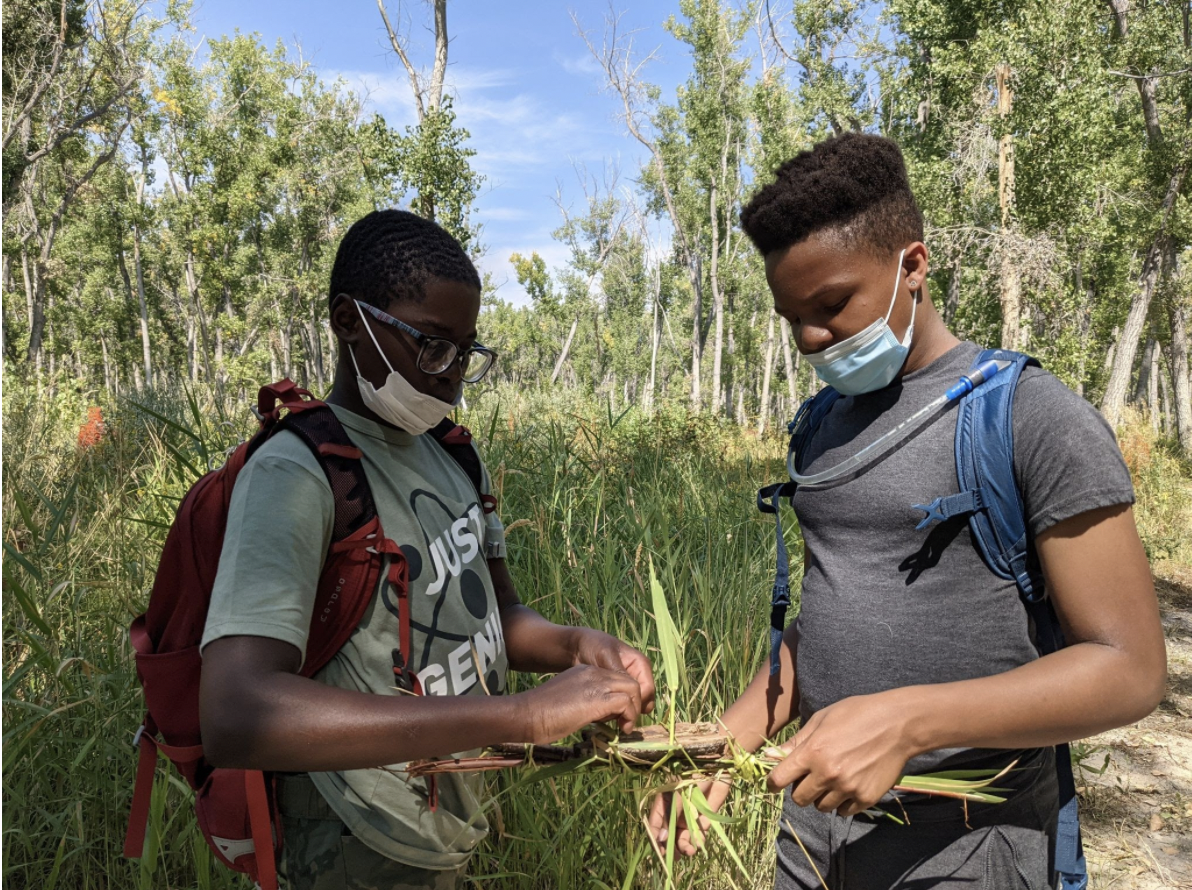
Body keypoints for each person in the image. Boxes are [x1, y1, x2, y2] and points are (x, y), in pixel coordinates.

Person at [649, 133, 1166, 889]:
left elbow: (1131, 670)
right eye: (792, 319)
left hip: (966, 843)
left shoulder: (1031, 418)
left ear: (913, 267)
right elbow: (825, 623)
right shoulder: (822, 425)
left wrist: (907, 723)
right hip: (812, 837)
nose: (812, 340)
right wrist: (725, 743)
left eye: (830, 306)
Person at [200, 209, 655, 890]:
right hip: (355, 831)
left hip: (445, 820)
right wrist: (522, 716)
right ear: (348, 321)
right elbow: (237, 712)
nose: (451, 376)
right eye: (432, 345)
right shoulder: (297, 474)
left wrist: (571, 645)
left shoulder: (453, 455)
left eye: (466, 351)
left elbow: (494, 616)